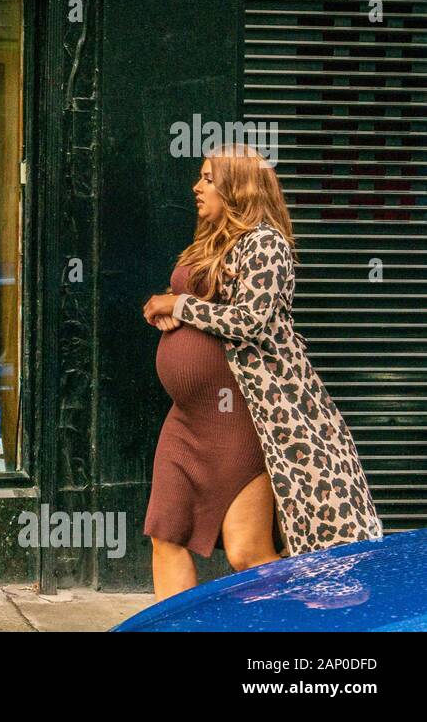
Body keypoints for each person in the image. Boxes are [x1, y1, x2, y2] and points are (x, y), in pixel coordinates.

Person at [141, 143, 381, 600]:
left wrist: (182, 306)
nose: (197, 186)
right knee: (165, 532)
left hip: (240, 416)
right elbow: (199, 305)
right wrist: (165, 310)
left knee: (247, 551)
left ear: (238, 186)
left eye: (208, 178)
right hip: (187, 419)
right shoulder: (213, 239)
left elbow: (251, 320)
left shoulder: (266, 243)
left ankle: (304, 618)